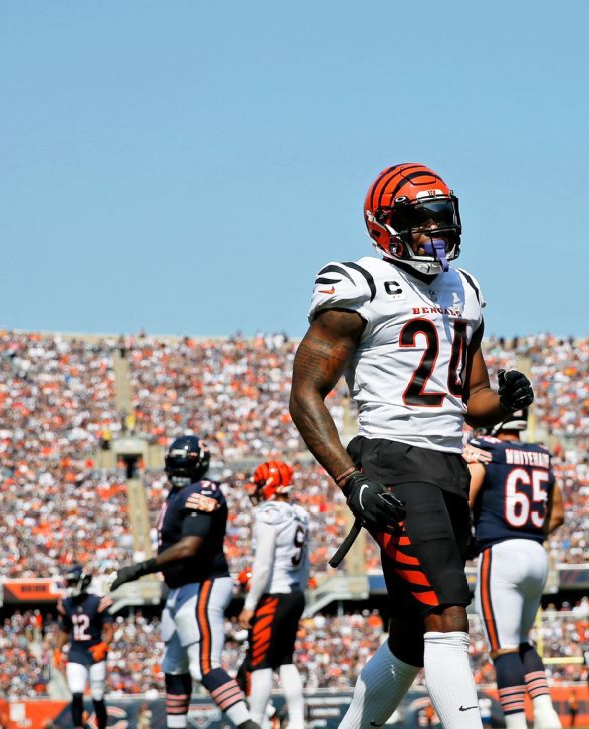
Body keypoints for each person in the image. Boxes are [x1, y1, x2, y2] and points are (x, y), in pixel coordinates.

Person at [288, 162, 535, 729]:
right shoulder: (360, 284)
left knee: (409, 633)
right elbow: (306, 394)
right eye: (418, 222)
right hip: (394, 460)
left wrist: (505, 401)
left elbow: (472, 398)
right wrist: (351, 480)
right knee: (447, 612)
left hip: (447, 466)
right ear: (384, 225)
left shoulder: (464, 288)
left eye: (439, 219)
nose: (432, 233)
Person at [109, 436, 259, 729]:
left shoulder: (203, 490)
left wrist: (137, 570)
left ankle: (249, 725)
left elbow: (190, 546)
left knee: (205, 665)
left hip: (203, 582)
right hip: (181, 588)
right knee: (174, 667)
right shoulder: (179, 493)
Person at [466, 411, 565, 729]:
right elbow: (558, 513)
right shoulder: (541, 454)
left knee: (503, 647)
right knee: (523, 640)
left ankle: (516, 722)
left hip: (500, 552)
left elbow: (465, 499)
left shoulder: (486, 449)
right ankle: (547, 715)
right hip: (536, 552)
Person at [238, 461, 310, 729]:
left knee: (261, 662)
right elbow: (306, 564)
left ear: (268, 485)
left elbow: (263, 565)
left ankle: (255, 721)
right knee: (286, 659)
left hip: (273, 594)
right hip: (294, 593)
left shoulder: (268, 515)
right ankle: (298, 722)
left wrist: (249, 604)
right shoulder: (300, 513)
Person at [56, 567, 113, 729]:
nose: (71, 585)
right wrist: (57, 650)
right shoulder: (66, 603)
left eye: (74, 581)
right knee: (76, 693)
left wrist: (104, 645)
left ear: (83, 581)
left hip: (95, 652)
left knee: (98, 696)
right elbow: (64, 630)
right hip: (76, 652)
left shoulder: (97, 601)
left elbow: (109, 630)